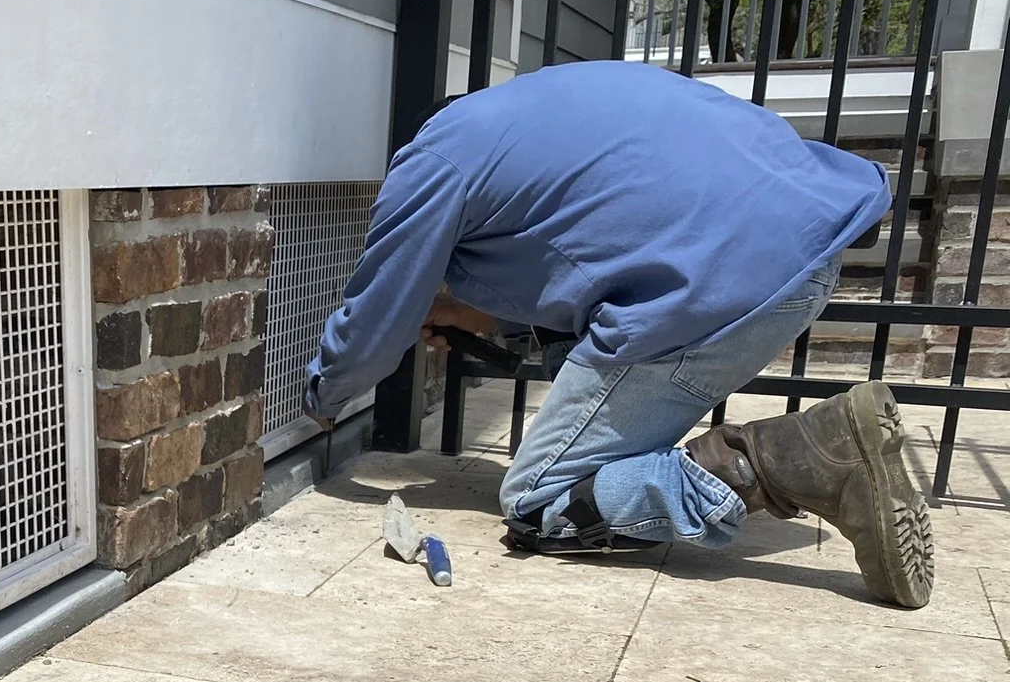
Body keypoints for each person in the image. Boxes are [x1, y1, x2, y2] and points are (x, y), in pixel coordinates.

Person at [305, 59, 933, 608]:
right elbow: (595, 245)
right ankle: (705, 462)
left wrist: (326, 396)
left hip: (720, 284)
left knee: (535, 503)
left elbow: (380, 311)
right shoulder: (544, 107)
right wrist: (473, 314)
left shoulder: (432, 158)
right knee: (569, 356)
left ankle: (794, 460)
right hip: (807, 244)